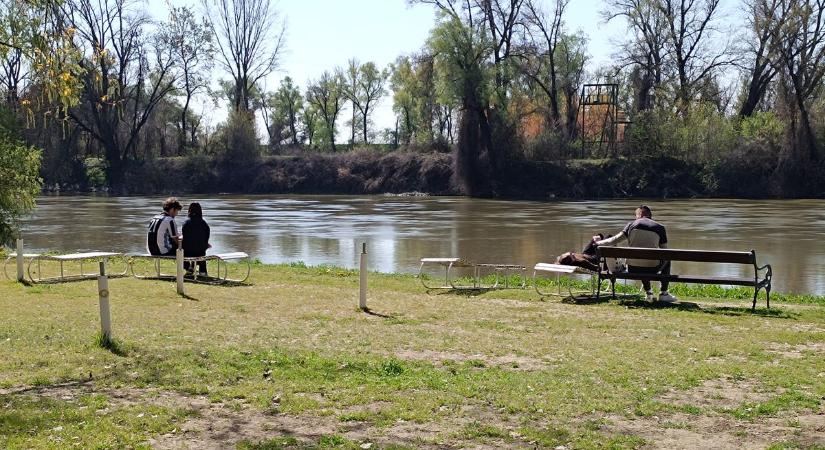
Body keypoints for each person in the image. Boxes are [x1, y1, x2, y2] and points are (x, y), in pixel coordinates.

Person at [594, 205, 677, 302]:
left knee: (639, 261)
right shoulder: (660, 228)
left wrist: (597, 243)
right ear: (650, 215)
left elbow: (614, 240)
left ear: (640, 215)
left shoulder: (631, 225)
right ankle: (663, 293)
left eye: (636, 215)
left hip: (632, 268)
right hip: (652, 269)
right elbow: (665, 252)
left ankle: (649, 293)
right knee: (667, 259)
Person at [182, 202, 211, 276]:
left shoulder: (186, 223)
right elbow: (206, 237)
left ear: (189, 211)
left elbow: (185, 237)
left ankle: (188, 268)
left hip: (188, 252)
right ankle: (203, 271)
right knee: (200, 249)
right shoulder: (204, 224)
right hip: (201, 251)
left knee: (180, 250)